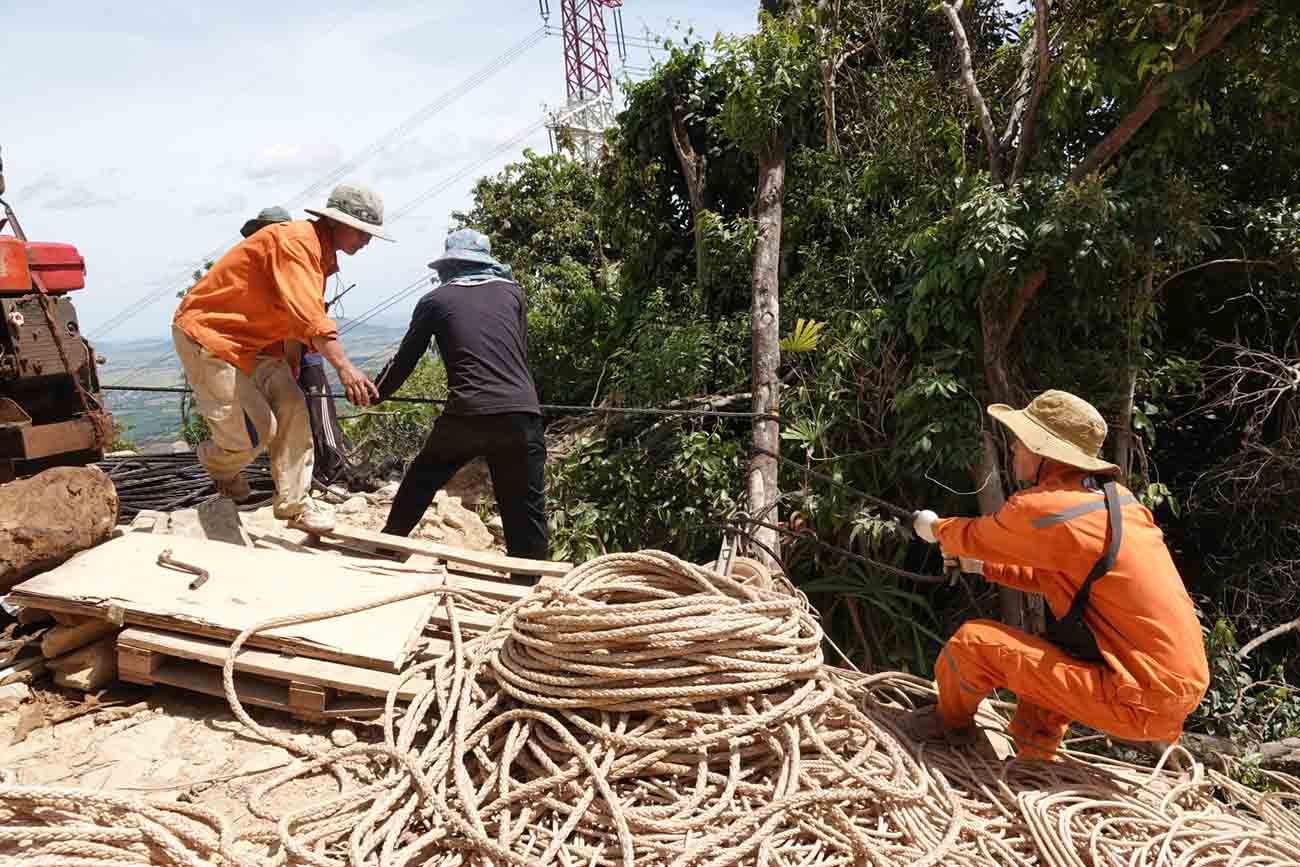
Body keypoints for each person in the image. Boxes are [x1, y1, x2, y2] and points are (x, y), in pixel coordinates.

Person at [907, 390, 1209, 761]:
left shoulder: (1049, 510)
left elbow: (976, 536)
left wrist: (935, 528)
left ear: (1045, 452)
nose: (1015, 446)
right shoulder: (1114, 504)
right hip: (1170, 687)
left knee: (973, 645)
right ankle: (1035, 765)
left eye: (1023, 440)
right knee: (1052, 658)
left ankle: (948, 732)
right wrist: (981, 566)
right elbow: (1054, 578)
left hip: (1139, 695)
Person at [172, 184, 388, 533]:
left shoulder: (319, 255)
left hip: (259, 346)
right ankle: (219, 464)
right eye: (363, 232)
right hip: (211, 336)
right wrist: (345, 369)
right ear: (337, 223)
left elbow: (292, 325)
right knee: (254, 435)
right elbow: (310, 319)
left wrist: (289, 371)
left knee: (292, 406)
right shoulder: (296, 243)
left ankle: (294, 505)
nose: (367, 241)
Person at [375, 229, 548, 573]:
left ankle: (387, 549)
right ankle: (530, 586)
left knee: (421, 480)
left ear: (450, 266)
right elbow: (519, 354)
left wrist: (376, 393)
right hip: (521, 412)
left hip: (467, 412)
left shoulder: (435, 301)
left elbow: (405, 361)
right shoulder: (513, 293)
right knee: (524, 505)